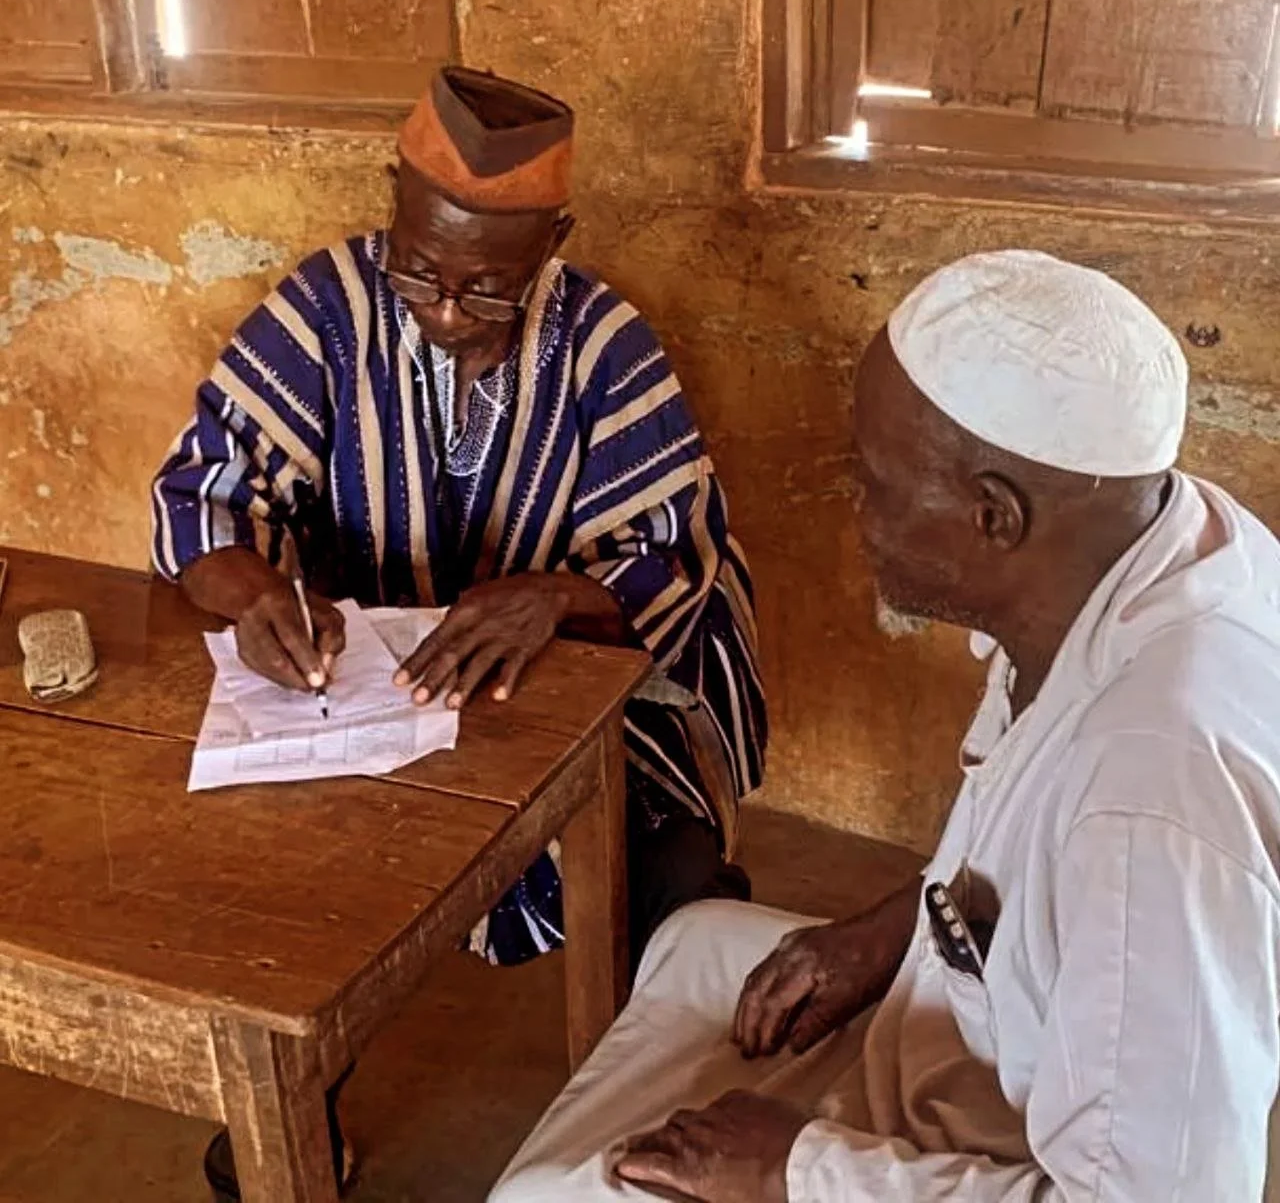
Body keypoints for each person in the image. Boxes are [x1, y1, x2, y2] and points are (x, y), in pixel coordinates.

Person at [489, 250, 1280, 1202]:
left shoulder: (1154, 795)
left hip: (1014, 1139)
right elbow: (1018, 844)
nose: (855, 508)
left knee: (547, 1194)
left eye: (875, 482)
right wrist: (888, 932)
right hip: (992, 1027)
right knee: (698, 940)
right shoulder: (1154, 545)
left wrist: (795, 1169)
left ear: (994, 516)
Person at [151, 66, 765, 1200]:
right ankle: (290, 1114)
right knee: (274, 873)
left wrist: (552, 597)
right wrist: (256, 595)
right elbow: (202, 497)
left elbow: (673, 556)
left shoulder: (602, 343)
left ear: (552, 244)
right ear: (392, 204)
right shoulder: (326, 309)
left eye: (487, 289)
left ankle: (657, 1135)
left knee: (670, 871)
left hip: (578, 688)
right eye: (419, 270)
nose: (442, 311)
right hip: (370, 682)